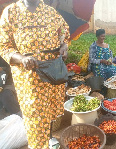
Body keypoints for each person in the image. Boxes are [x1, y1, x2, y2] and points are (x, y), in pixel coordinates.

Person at [0, 0, 70, 148]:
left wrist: (64, 46)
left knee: (49, 112)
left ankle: (49, 139)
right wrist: (22, 59)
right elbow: (4, 46)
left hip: (52, 74)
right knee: (35, 117)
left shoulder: (50, 12)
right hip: (29, 78)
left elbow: (64, 30)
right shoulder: (11, 12)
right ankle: (38, 145)